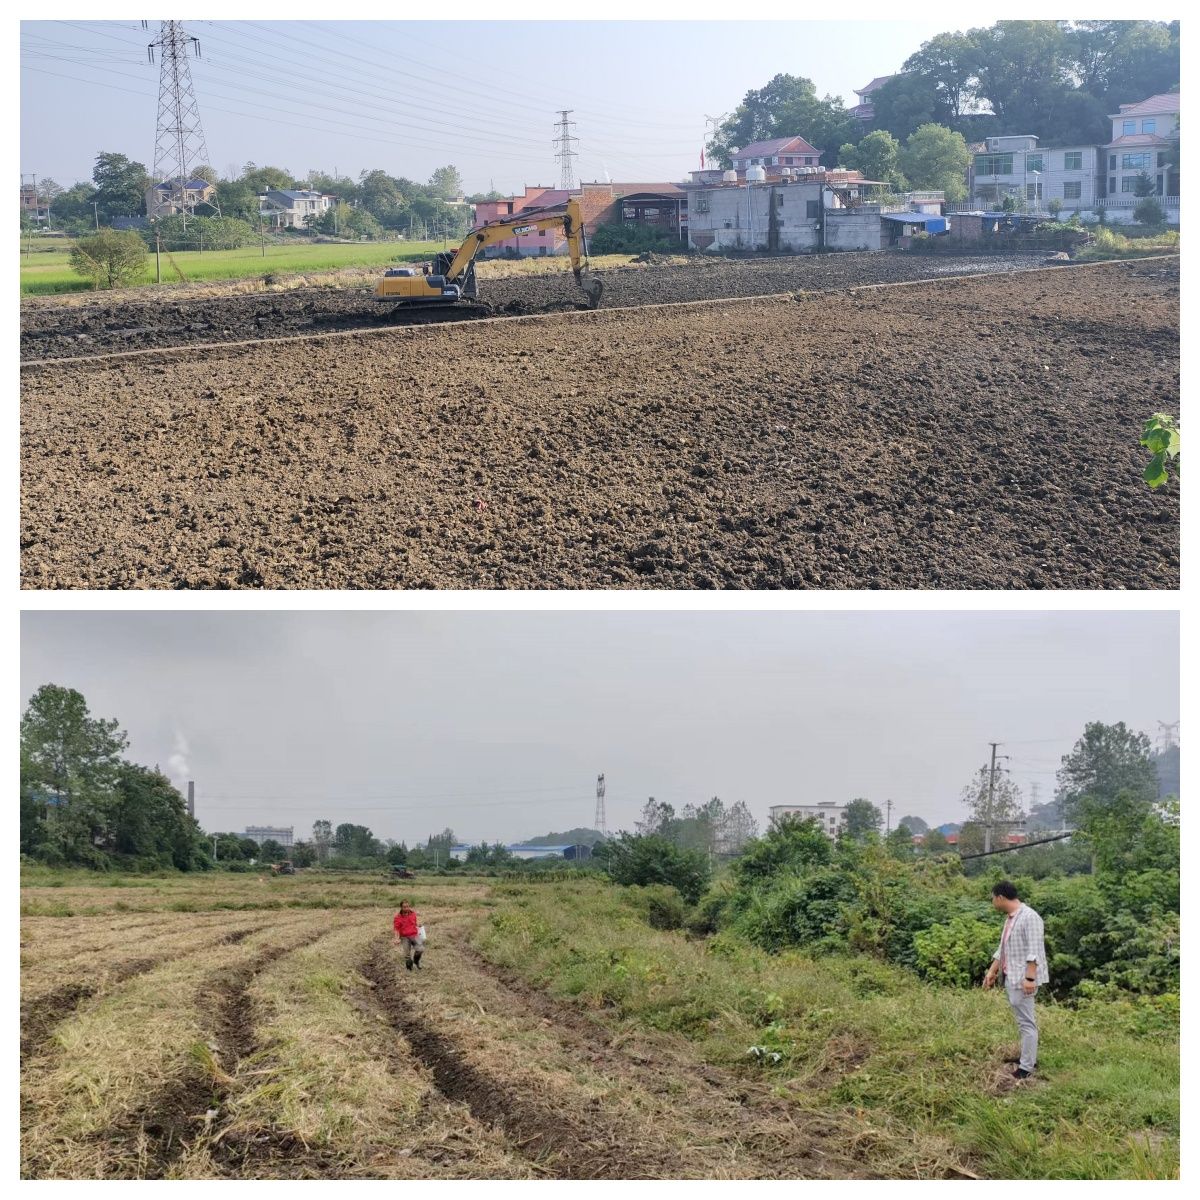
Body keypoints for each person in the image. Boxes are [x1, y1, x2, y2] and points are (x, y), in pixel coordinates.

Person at [982, 880, 1048, 1079]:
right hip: (1012, 976)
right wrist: (992, 971)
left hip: (1022, 978)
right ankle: (1027, 1058)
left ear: (1001, 897)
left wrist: (1029, 978)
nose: (993, 902)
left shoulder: (1030, 917)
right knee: (1023, 1021)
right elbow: (1003, 948)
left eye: (993, 898)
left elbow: (1034, 950)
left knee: (1027, 1023)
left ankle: (1026, 1067)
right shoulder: (1011, 918)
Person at [393, 900, 424, 971]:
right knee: (407, 955)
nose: (406, 908)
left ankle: (416, 961)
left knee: (420, 950)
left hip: (414, 935)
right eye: (404, 907)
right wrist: (396, 938)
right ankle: (409, 970)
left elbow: (414, 922)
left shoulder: (413, 913)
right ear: (401, 907)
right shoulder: (397, 917)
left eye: (407, 907)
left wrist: (418, 925)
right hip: (404, 937)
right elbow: (396, 929)